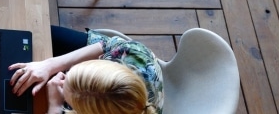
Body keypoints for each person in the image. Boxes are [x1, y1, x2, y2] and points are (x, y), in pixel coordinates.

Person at [9, 27, 163, 114]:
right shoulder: (134, 54)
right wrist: (51, 65)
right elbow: (104, 45)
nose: (61, 78)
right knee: (39, 33)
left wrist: (55, 106)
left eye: (68, 101)